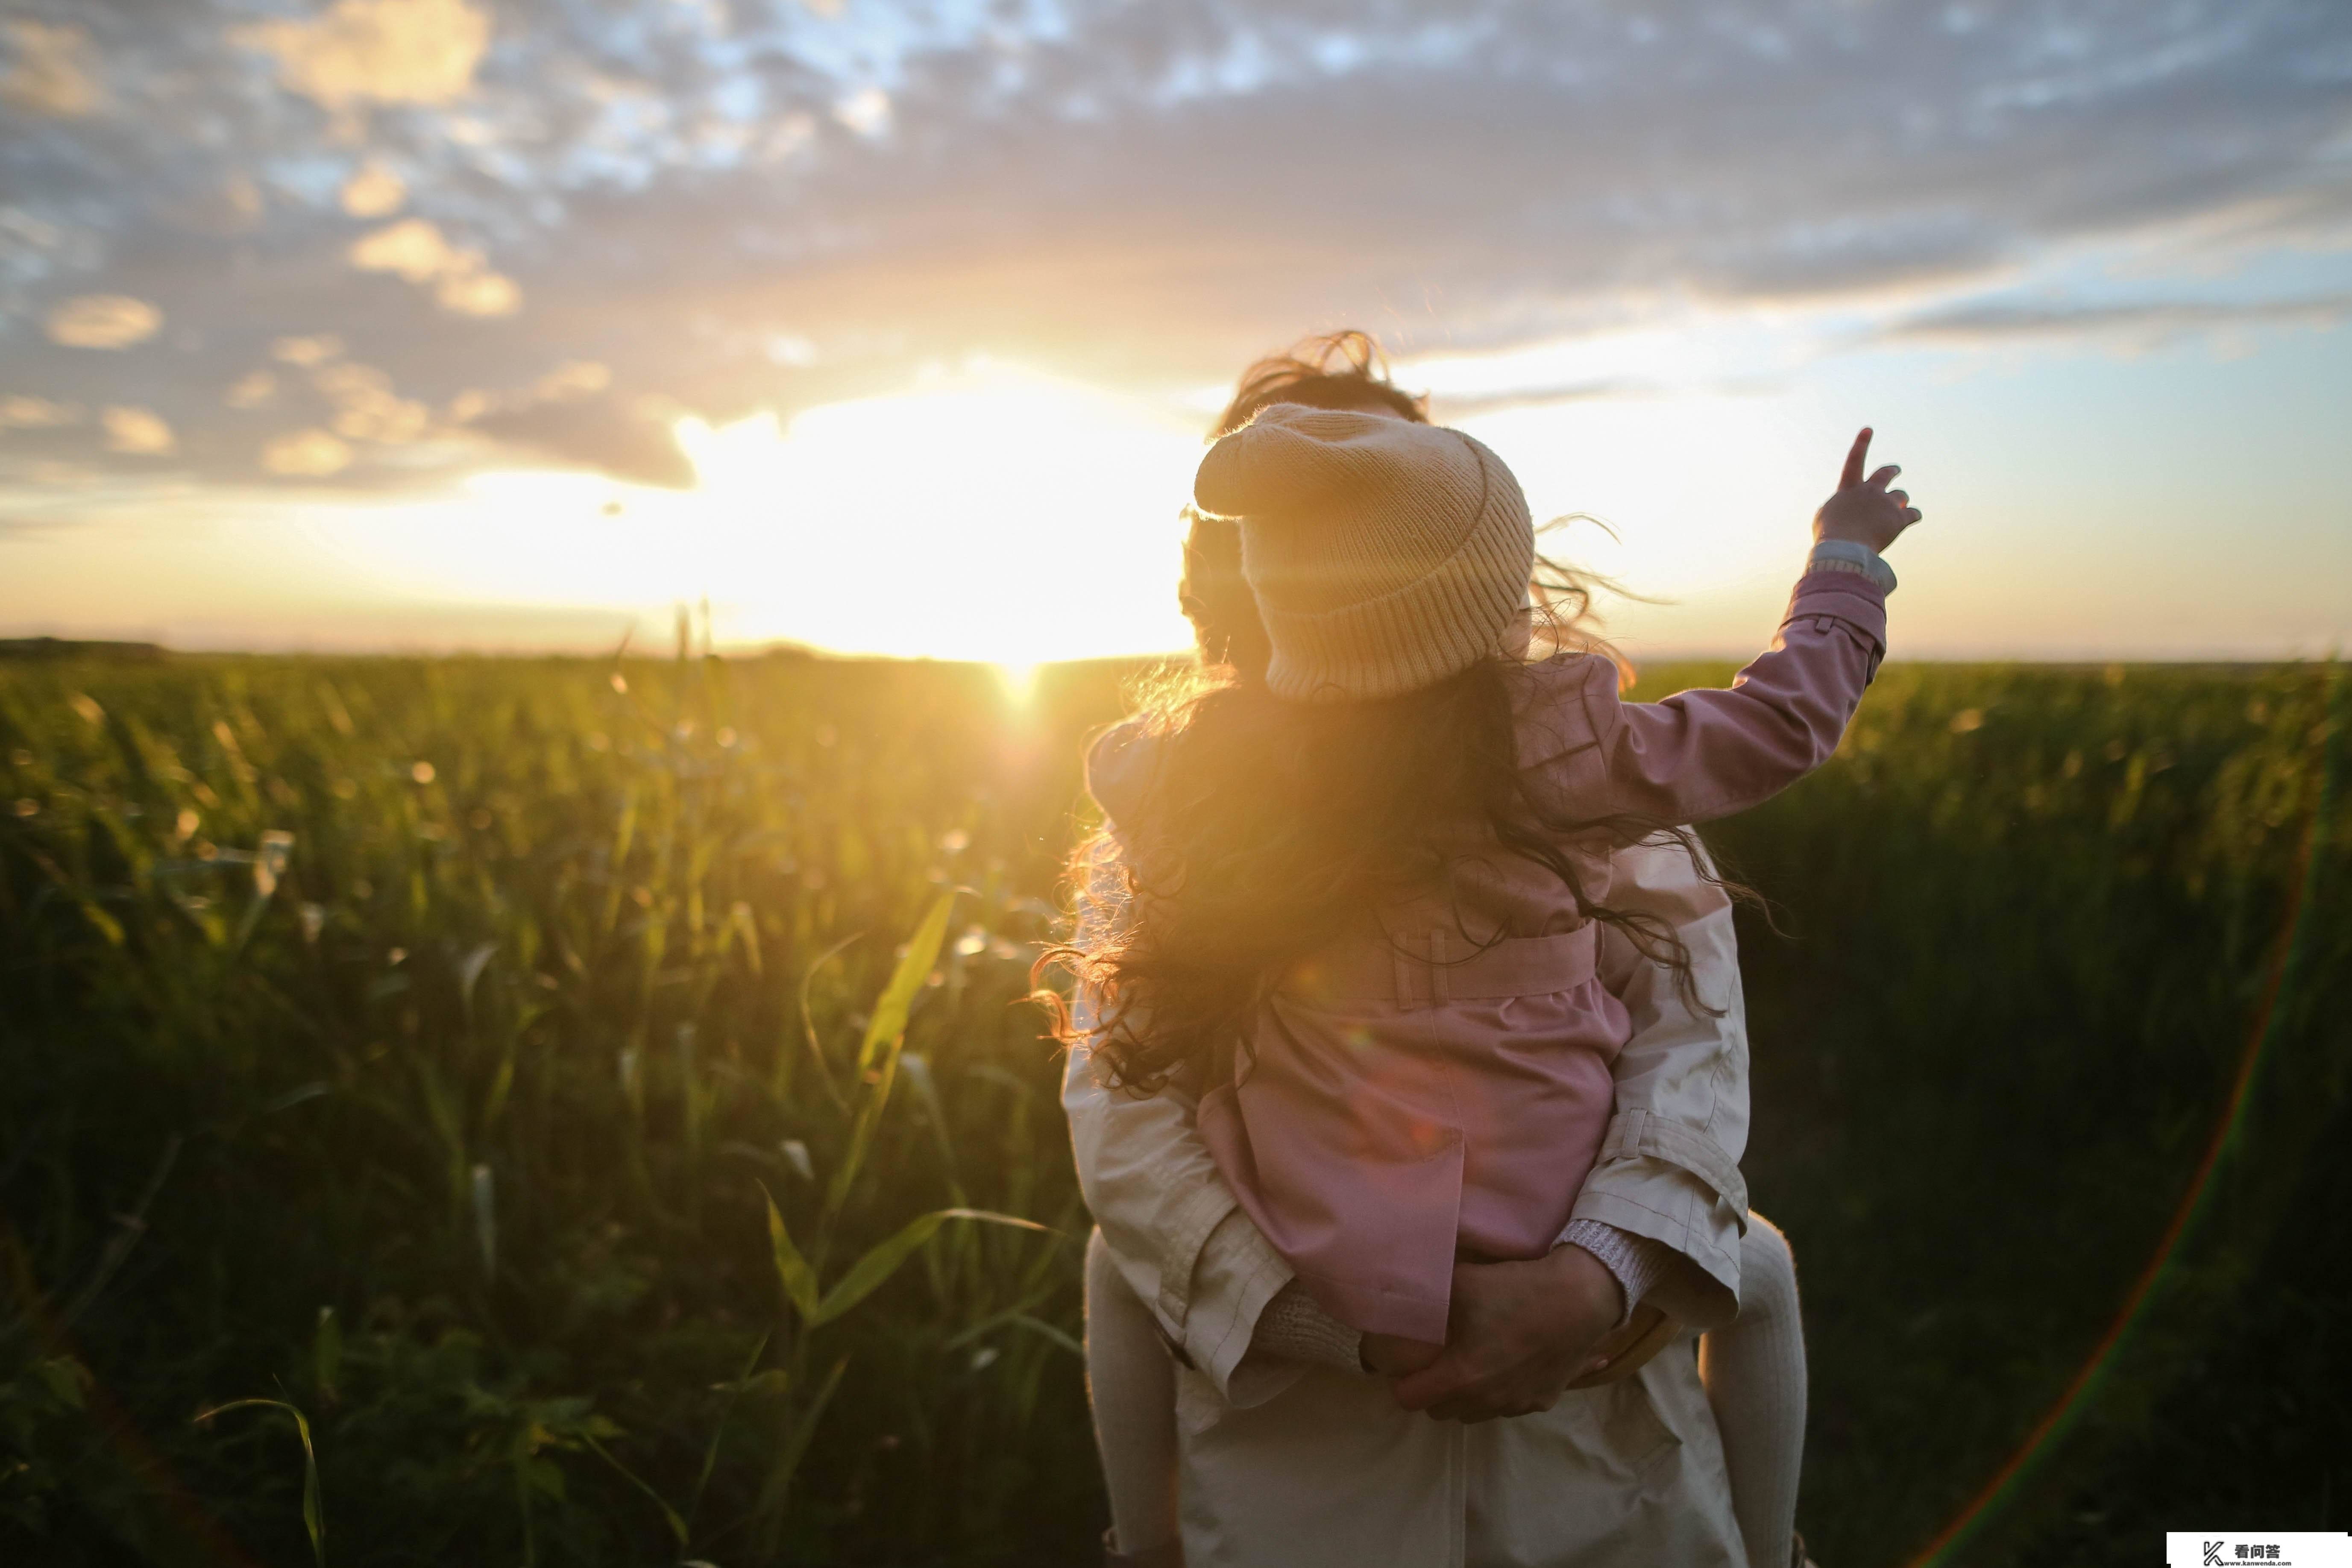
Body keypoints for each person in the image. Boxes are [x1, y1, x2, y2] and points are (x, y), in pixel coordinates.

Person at [1057, 334, 1914, 1567]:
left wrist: (1592, 1279)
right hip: (1302, 1434)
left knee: (1114, 1273)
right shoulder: (1575, 763)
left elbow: (1688, 1042)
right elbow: (1125, 1112)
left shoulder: (1194, 787)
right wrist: (1841, 568)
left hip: (1583, 1424)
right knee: (1760, 1267)